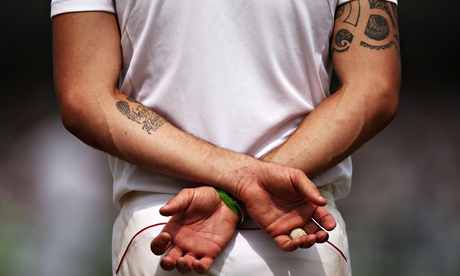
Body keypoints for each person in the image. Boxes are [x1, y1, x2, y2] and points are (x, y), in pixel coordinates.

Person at [51, 0, 400, 275]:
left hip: (169, 232)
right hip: (300, 224)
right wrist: (246, 187)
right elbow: (373, 89)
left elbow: (86, 99)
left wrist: (234, 189)